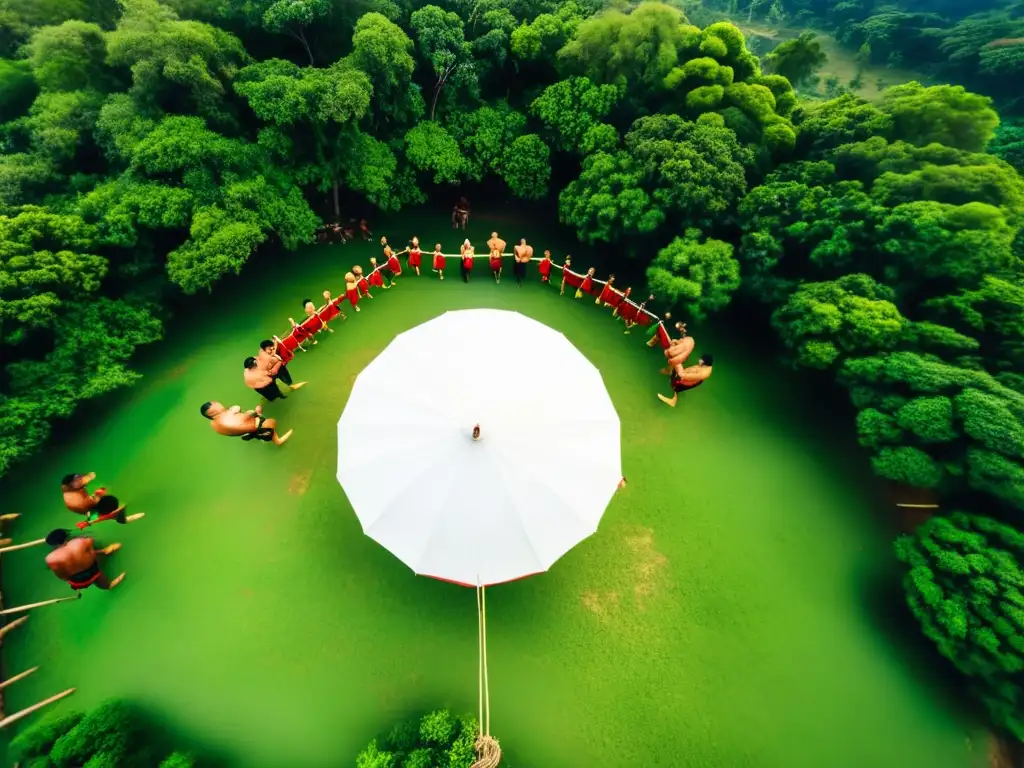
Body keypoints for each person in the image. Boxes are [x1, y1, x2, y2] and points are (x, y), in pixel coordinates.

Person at [45, 529, 125, 591]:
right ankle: (109, 585)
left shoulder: (51, 558)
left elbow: (61, 576)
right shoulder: (82, 541)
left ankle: (104, 552)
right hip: (93, 572)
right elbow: (92, 555)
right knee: (100, 579)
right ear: (66, 536)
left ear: (53, 545)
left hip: (77, 581)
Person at [200, 401, 293, 445]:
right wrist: (257, 413)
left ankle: (252, 434)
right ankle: (277, 440)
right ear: (212, 412)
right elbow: (250, 424)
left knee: (249, 411)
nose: (219, 403)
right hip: (254, 427)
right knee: (272, 421)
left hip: (241, 430)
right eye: (216, 404)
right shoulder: (228, 418)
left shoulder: (213, 423)